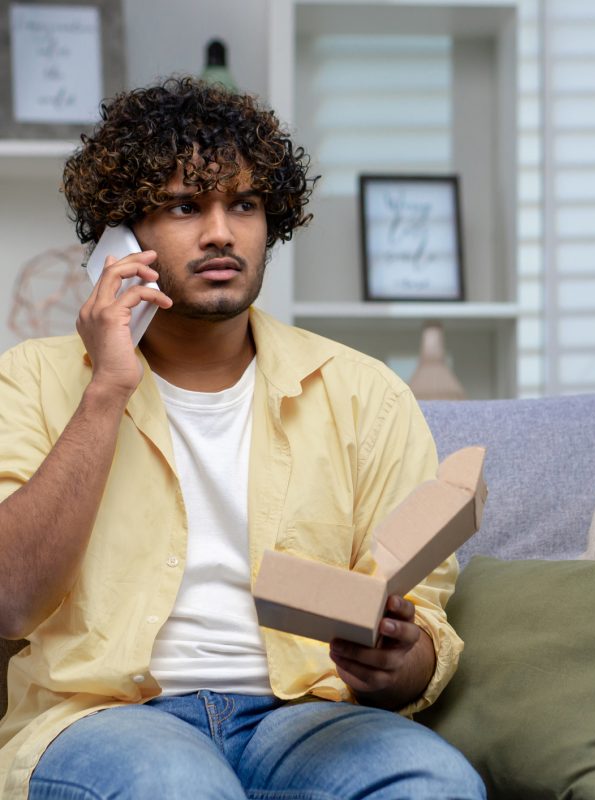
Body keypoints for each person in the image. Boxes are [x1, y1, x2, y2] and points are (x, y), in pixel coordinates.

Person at [0, 77, 485, 800]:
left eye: (245, 205)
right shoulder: (33, 381)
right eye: (185, 206)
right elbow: (9, 597)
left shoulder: (363, 393)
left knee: (435, 781)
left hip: (304, 717)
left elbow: (425, 627)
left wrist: (402, 662)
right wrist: (106, 387)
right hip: (106, 717)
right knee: (181, 786)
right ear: (121, 235)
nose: (221, 231)